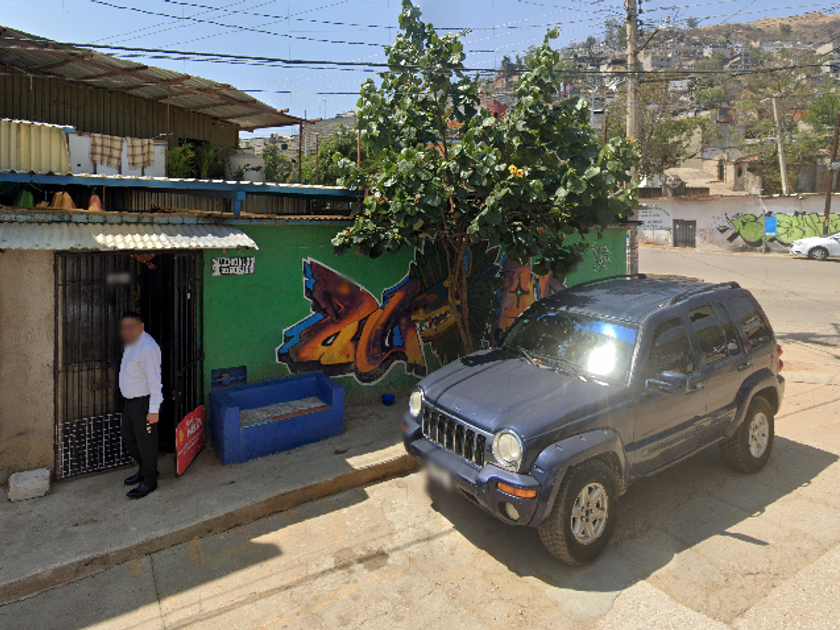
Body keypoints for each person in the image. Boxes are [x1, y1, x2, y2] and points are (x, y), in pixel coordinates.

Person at [118, 311, 163, 499]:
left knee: (146, 444)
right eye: (124, 327)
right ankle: (144, 470)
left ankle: (150, 481)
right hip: (130, 403)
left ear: (141, 327)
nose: (127, 331)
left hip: (143, 403)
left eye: (131, 327)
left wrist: (154, 410)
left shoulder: (147, 348)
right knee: (130, 438)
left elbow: (155, 381)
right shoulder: (131, 344)